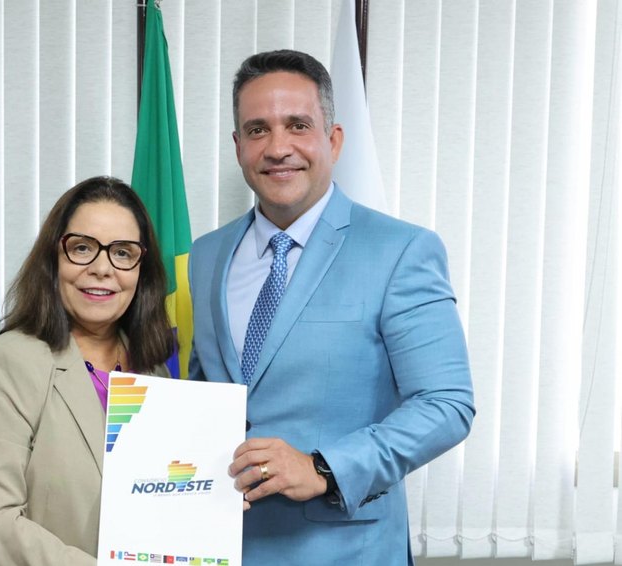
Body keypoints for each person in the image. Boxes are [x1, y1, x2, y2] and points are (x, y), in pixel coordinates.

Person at [188, 49, 475, 565]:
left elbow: (446, 404)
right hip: (223, 545)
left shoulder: (401, 250)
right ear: (238, 146)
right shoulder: (206, 256)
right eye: (257, 130)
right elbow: (205, 395)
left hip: (348, 550)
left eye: (298, 125)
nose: (278, 147)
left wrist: (323, 467)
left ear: (334, 140)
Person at [0, 176, 175, 565]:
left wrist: (208, 502)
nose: (102, 269)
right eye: (82, 248)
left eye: (122, 253)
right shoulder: (5, 365)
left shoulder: (155, 373)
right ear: (54, 258)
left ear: (141, 269)